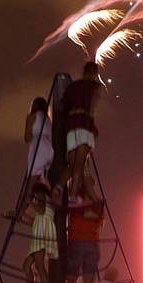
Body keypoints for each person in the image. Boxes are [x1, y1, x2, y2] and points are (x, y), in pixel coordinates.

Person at [55, 61, 103, 206]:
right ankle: (73, 195)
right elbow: (92, 108)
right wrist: (92, 127)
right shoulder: (95, 87)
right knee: (80, 163)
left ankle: (57, 188)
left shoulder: (72, 87)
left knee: (72, 163)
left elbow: (62, 106)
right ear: (95, 73)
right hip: (84, 124)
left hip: (70, 126)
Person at [66, 175, 105, 283]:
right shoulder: (98, 203)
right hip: (93, 244)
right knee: (88, 281)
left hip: (76, 242)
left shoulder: (76, 202)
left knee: (71, 279)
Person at [21, 183, 57, 283]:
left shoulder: (45, 200)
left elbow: (41, 211)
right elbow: (36, 221)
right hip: (38, 236)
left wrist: (30, 202)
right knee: (27, 265)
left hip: (41, 237)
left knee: (40, 266)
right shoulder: (43, 203)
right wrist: (24, 216)